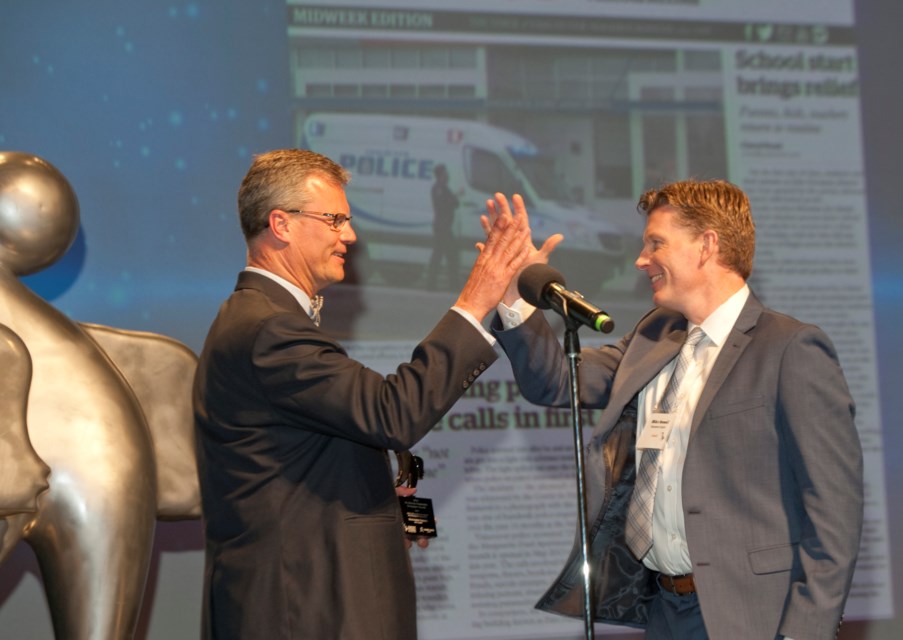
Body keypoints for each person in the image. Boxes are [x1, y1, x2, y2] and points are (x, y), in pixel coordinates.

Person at [489, 179, 864, 640]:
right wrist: (513, 298)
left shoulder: (790, 348)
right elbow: (554, 381)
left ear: (707, 245)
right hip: (665, 612)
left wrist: (804, 632)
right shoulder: (653, 335)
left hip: (752, 617)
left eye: (656, 243)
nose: (641, 260)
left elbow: (835, 512)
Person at [193, 148, 530, 640]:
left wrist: (378, 497)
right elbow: (392, 414)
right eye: (334, 220)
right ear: (281, 224)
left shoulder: (264, 321)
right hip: (301, 611)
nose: (349, 235)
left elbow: (301, 461)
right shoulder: (268, 330)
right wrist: (476, 299)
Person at [425, 163, 459, 290]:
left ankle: (433, 284)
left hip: (444, 227)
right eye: (445, 173)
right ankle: (440, 284)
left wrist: (454, 198)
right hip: (442, 227)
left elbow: (454, 203)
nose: (447, 176)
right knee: (447, 255)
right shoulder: (439, 188)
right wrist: (454, 197)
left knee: (442, 254)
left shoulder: (443, 188)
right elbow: (444, 204)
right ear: (441, 175)